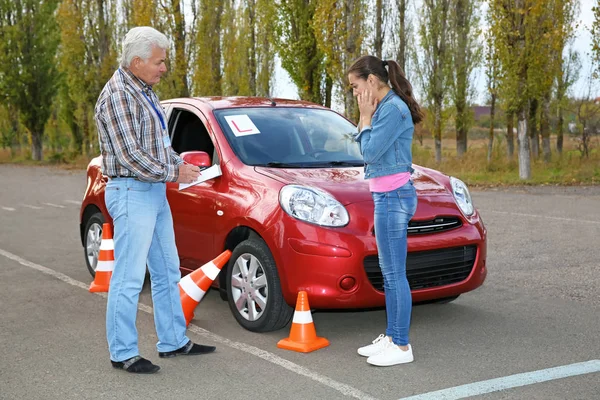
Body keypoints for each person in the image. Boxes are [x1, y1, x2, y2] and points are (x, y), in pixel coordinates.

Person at [94, 26, 215, 374]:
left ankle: (174, 341)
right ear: (137, 61)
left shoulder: (142, 90)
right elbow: (131, 156)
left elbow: (159, 147)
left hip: (153, 191)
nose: (164, 68)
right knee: (129, 277)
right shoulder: (118, 95)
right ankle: (123, 352)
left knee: (166, 270)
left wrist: (182, 165)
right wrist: (175, 173)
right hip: (132, 191)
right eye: (159, 62)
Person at [348, 55, 424, 367]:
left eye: (355, 85)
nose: (354, 92)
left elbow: (368, 150)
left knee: (394, 274)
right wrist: (365, 117)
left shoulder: (392, 109)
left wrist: (365, 118)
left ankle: (402, 346)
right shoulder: (383, 108)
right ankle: (392, 336)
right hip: (385, 196)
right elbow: (362, 144)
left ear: (372, 81)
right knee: (389, 273)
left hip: (394, 197)